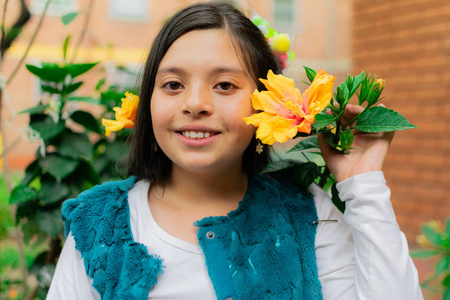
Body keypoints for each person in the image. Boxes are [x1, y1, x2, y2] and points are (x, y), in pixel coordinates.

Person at [47, 2, 423, 300]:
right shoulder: (99, 224)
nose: (195, 103)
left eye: (225, 85)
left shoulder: (307, 215)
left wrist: (362, 184)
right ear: (148, 101)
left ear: (266, 103)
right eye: (173, 84)